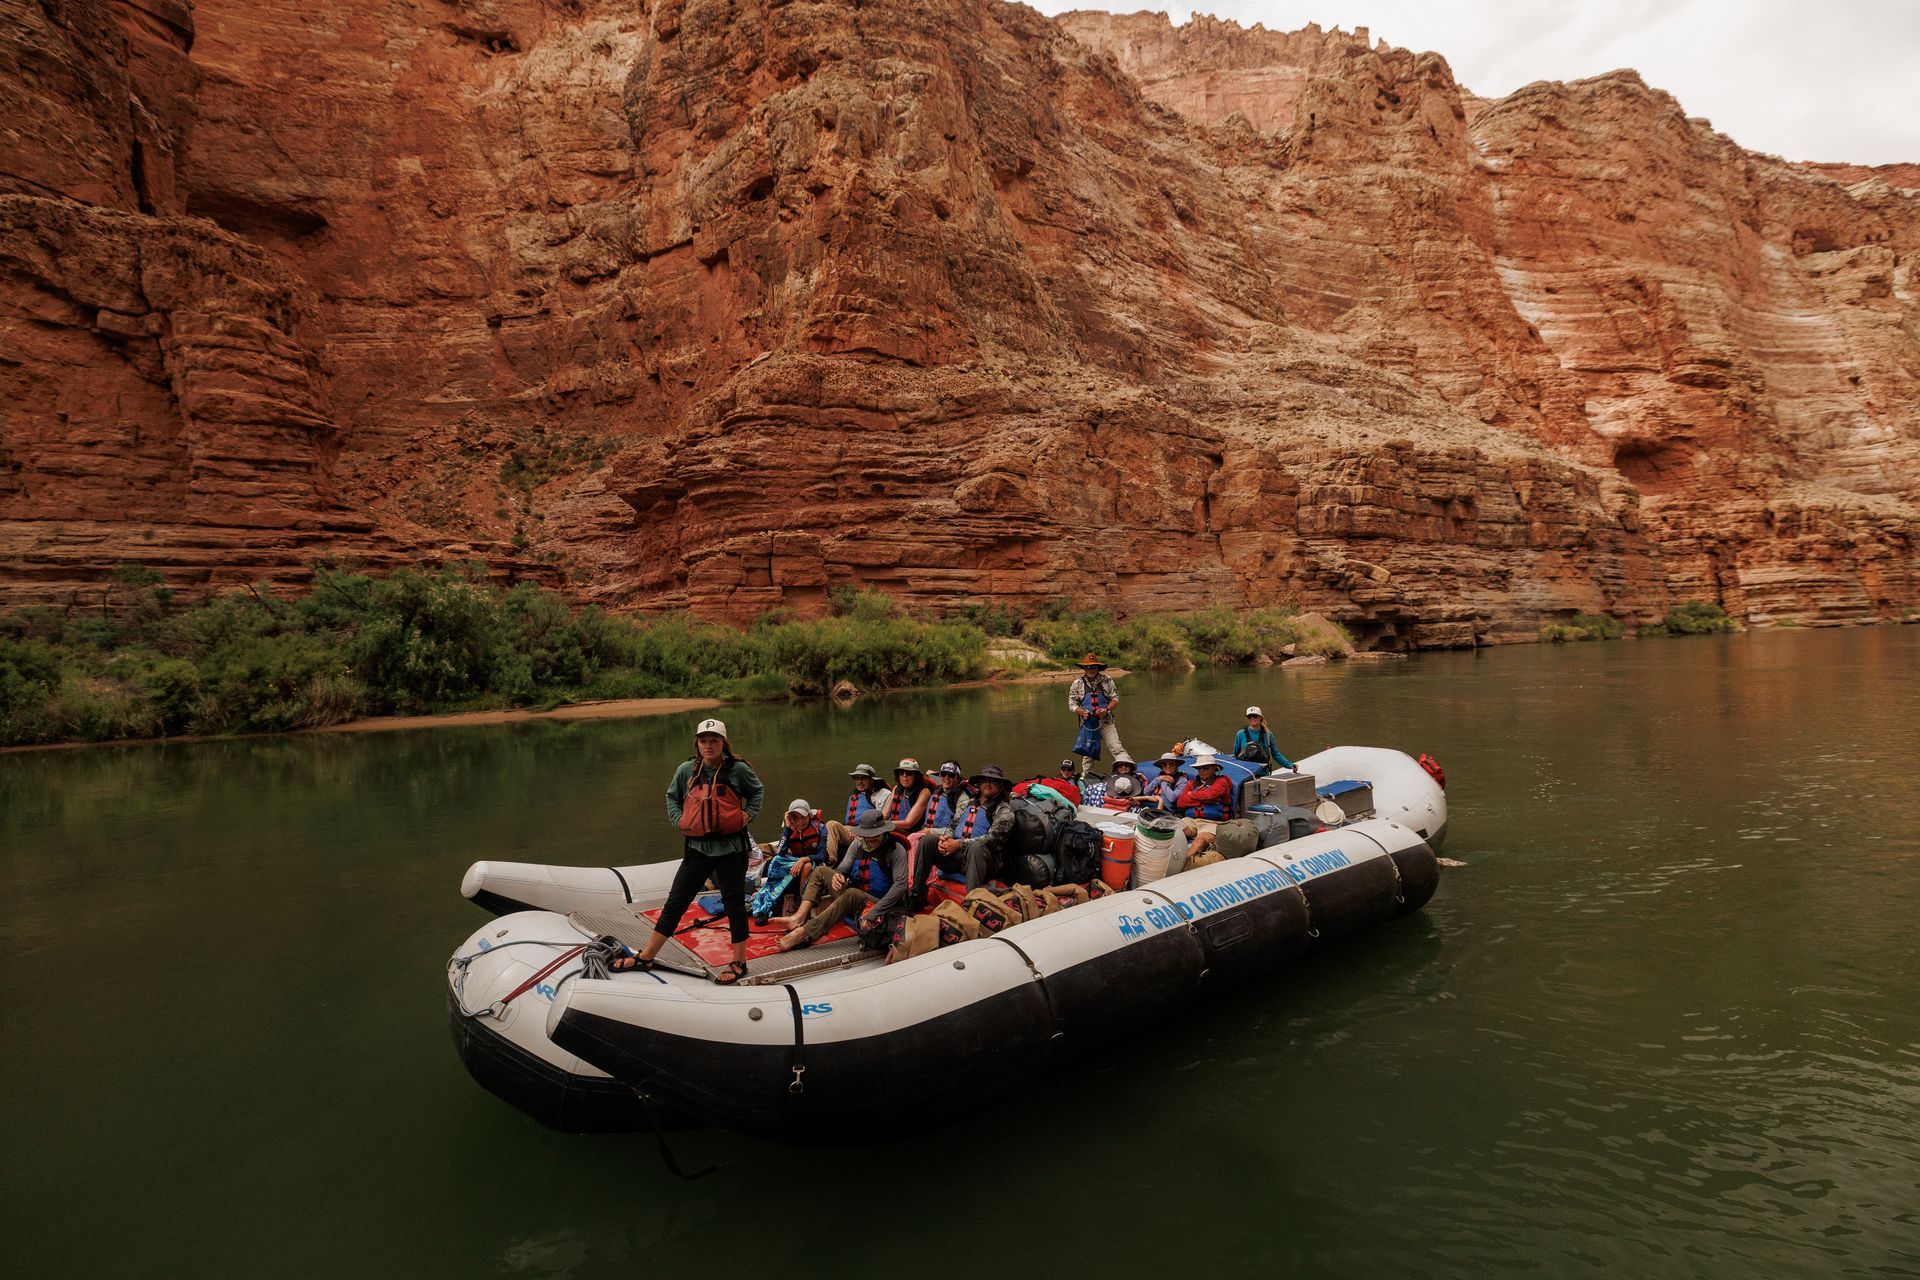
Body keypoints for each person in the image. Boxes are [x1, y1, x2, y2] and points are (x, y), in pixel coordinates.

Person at [613, 718, 764, 984]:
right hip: (697, 850)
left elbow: (757, 793)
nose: (708, 745)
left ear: (723, 743)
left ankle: (739, 962)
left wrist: (746, 816)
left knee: (734, 904)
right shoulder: (686, 770)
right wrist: (678, 820)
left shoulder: (738, 770)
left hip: (731, 849)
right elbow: (672, 796)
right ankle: (646, 956)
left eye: (714, 740)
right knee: (676, 902)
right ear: (697, 743)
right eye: (704, 740)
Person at [775, 809, 913, 951]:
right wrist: (838, 876)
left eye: (875, 836)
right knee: (821, 871)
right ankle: (798, 917)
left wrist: (874, 912)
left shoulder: (896, 850)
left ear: (883, 832)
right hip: (856, 901)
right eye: (867, 836)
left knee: (852, 893)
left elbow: (900, 887)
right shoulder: (857, 845)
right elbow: (843, 869)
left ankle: (803, 933)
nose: (871, 840)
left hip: (883, 906)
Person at [908, 763, 1018, 905]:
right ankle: (916, 896)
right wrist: (945, 838)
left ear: (1001, 786)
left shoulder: (1004, 811)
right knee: (926, 841)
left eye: (993, 781)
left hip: (983, 861)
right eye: (985, 781)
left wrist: (958, 844)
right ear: (980, 783)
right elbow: (953, 826)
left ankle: (970, 902)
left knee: (975, 848)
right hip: (959, 857)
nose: (988, 784)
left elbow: (993, 841)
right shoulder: (970, 802)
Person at [748, 799, 826, 924]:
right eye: (796, 817)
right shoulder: (789, 829)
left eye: (803, 817)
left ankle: (801, 898)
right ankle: (765, 907)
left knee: (806, 866)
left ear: (808, 816)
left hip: (814, 863)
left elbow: (822, 855)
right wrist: (787, 829)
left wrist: (803, 860)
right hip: (794, 862)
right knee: (776, 861)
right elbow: (779, 853)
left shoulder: (820, 828)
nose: (800, 821)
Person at [1067, 654, 1126, 777]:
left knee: (1116, 747)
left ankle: (1128, 771)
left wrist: (1106, 709)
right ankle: (1087, 778)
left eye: (1094, 666)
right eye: (1088, 667)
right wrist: (1081, 711)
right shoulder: (1077, 684)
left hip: (1106, 722)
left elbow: (1115, 699)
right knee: (1088, 755)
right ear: (1084, 668)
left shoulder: (1107, 680)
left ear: (1098, 667)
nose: (1091, 669)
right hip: (1088, 725)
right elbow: (1071, 703)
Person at [826, 763, 893, 859]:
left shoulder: (879, 794)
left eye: (863, 779)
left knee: (831, 824)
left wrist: (858, 830)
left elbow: (881, 819)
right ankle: (830, 860)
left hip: (865, 831)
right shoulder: (854, 794)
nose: (859, 782)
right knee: (827, 827)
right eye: (857, 779)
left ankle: (831, 860)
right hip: (848, 830)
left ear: (871, 779)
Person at [1173, 752, 1234, 820]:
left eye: (1205, 768)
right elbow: (1180, 802)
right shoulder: (1192, 783)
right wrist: (1204, 801)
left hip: (1213, 821)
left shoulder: (1221, 781)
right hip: (1191, 819)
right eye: (1199, 768)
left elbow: (1211, 795)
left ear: (1214, 769)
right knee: (1180, 828)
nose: (1201, 770)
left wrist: (1191, 795)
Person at [1232, 706, 1294, 773]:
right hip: (1246, 773)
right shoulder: (1240, 734)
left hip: (1263, 773)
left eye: (1255, 716)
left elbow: (1275, 754)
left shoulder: (1268, 734)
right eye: (1249, 716)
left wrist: (1290, 765)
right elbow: (1235, 754)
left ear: (1260, 717)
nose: (1252, 718)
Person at [883, 758, 933, 835]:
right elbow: (885, 814)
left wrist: (884, 824)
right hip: (891, 827)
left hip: (910, 833)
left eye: (909, 773)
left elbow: (908, 823)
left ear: (916, 776)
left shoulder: (924, 792)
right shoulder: (897, 788)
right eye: (902, 772)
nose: (904, 776)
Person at [928, 760, 973, 831]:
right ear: (939, 776)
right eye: (943, 774)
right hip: (927, 831)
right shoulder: (938, 791)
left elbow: (956, 826)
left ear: (957, 778)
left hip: (946, 836)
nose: (946, 777)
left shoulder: (963, 798)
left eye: (951, 775)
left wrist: (929, 831)